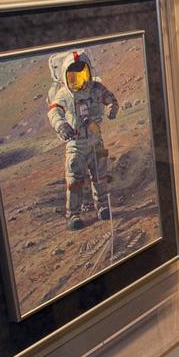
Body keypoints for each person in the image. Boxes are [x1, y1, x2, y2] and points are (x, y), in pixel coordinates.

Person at [46, 49, 119, 230]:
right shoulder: (64, 94)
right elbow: (54, 111)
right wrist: (61, 125)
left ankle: (102, 206)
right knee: (75, 180)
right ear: (65, 76)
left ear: (89, 72)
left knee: (100, 176)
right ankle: (74, 215)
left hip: (95, 140)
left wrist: (112, 107)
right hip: (76, 144)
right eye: (73, 77)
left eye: (82, 75)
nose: (79, 81)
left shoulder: (96, 88)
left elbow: (111, 99)